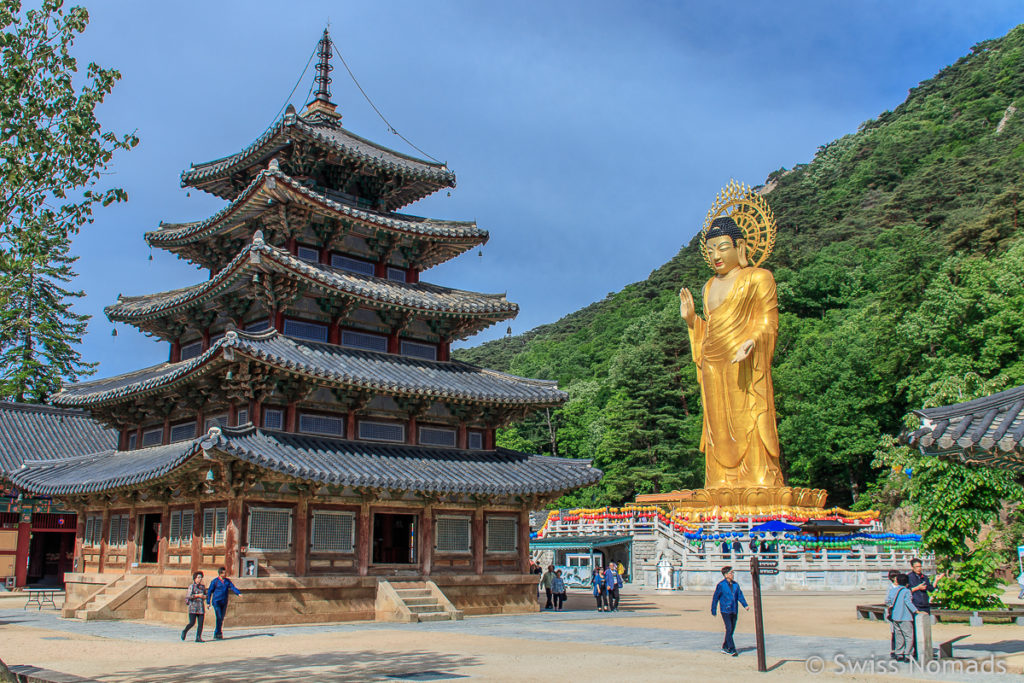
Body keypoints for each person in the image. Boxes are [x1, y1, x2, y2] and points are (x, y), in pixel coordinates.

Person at [680, 216, 785, 488]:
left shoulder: (758, 278)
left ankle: (758, 480)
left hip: (746, 362)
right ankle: (720, 483)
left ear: (740, 247)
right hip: (714, 365)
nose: (715, 256)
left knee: (749, 418)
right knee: (717, 427)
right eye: (710, 250)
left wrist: (753, 340)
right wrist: (693, 321)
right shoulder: (708, 287)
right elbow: (710, 328)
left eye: (722, 247)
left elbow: (768, 322)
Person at [710, 565, 749, 657]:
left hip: (734, 609)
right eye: (731, 573)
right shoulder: (721, 585)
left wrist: (745, 605)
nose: (732, 575)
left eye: (733, 573)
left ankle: (725, 646)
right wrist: (713, 609)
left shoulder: (735, 585)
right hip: (725, 609)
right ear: (726, 574)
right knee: (729, 628)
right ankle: (732, 649)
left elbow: (740, 595)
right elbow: (716, 597)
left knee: (731, 630)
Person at [206, 566, 242, 640]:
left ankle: (218, 632)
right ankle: (218, 632)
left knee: (221, 618)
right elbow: (209, 591)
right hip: (216, 601)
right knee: (218, 617)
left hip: (224, 601)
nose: (225, 574)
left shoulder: (227, 581)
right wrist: (208, 602)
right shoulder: (215, 581)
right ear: (220, 573)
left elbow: (232, 587)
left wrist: (238, 593)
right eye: (224, 573)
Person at [889, 573, 918, 663]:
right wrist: (916, 611)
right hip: (905, 616)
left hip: (895, 616)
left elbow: (888, 601)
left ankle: (899, 653)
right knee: (908, 636)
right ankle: (908, 654)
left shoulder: (893, 590)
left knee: (899, 635)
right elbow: (908, 602)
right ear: (907, 583)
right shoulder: (906, 591)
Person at [181, 571, 207, 643]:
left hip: (200, 607)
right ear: (195, 578)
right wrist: (197, 595)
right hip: (193, 607)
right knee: (192, 622)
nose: (200, 579)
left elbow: (206, 595)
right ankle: (185, 631)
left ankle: (198, 637)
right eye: (198, 577)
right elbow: (188, 596)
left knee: (201, 623)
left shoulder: (202, 587)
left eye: (201, 577)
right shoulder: (191, 586)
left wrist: (204, 596)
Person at [883, 569, 901, 660]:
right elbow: (887, 600)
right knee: (894, 632)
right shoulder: (891, 588)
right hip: (893, 612)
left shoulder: (902, 587)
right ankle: (894, 650)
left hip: (901, 611)